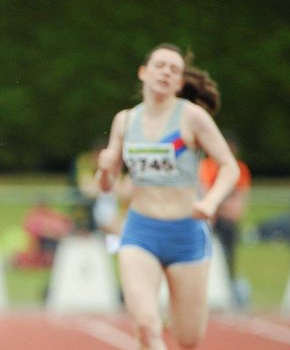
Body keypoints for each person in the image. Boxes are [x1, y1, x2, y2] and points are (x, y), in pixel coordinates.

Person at [96, 43, 240, 350]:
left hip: (186, 234)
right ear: (143, 73)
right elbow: (106, 185)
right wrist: (106, 170)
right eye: (160, 65)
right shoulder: (125, 121)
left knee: (188, 339)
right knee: (146, 328)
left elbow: (229, 166)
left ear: (178, 83)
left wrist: (211, 201)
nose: (166, 72)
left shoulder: (192, 118)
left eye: (174, 70)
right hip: (139, 232)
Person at [199, 134, 251, 290]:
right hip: (207, 215)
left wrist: (223, 206)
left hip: (224, 218)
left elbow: (240, 201)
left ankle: (229, 283)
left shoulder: (239, 169)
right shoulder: (205, 166)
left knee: (228, 242)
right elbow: (204, 193)